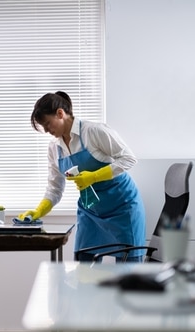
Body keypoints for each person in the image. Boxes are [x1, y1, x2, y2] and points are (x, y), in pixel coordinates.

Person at [18, 91, 146, 262]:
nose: (47, 130)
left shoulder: (93, 131)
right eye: (44, 127)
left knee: (128, 274)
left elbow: (129, 158)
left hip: (122, 207)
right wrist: (39, 210)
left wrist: (94, 176)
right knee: (83, 269)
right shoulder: (54, 148)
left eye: (48, 124)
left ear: (60, 113)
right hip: (91, 211)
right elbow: (55, 187)